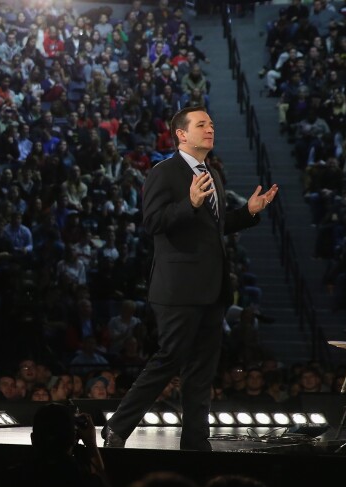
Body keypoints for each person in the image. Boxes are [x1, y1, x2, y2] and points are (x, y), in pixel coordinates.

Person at [101, 106, 278, 451]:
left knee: (201, 372)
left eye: (211, 124)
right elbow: (153, 222)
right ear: (181, 134)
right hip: (178, 289)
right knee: (168, 360)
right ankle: (118, 428)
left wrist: (249, 213)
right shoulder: (163, 173)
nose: (210, 129)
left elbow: (214, 229)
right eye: (201, 125)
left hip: (212, 291)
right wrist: (190, 203)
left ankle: (196, 443)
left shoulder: (211, 173)